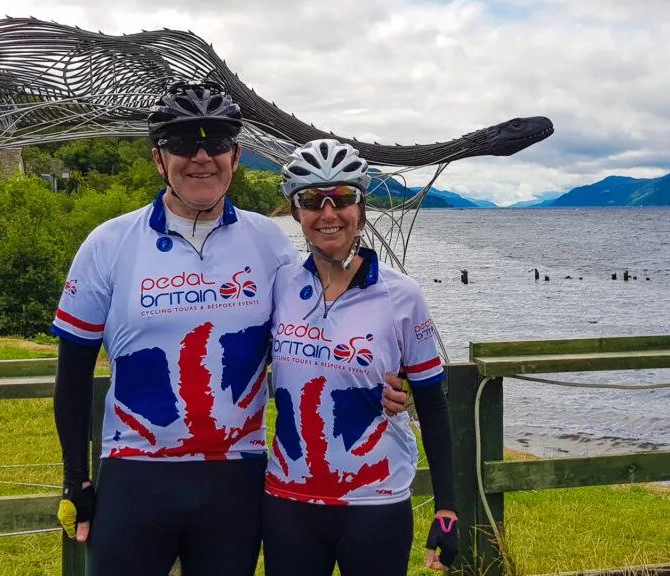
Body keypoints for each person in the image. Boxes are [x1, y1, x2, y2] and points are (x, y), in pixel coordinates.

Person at [50, 83, 409, 575]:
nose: (202, 157)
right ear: (159, 159)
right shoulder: (108, 243)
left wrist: (392, 378)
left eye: (216, 142)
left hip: (235, 477)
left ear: (236, 156)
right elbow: (72, 372)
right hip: (135, 473)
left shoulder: (271, 244)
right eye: (183, 144)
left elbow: (330, 331)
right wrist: (75, 479)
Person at [262, 139, 460, 575]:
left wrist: (446, 506)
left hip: (375, 500)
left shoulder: (401, 295)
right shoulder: (278, 286)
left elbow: (432, 401)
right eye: (312, 200)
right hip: (288, 500)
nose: (328, 213)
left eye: (343, 198)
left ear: (362, 208)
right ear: (296, 211)